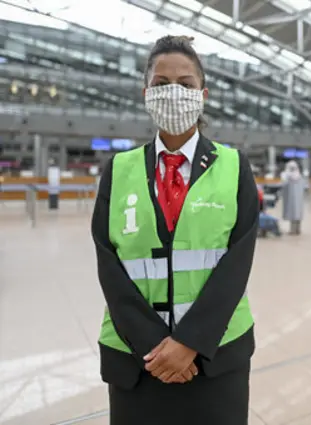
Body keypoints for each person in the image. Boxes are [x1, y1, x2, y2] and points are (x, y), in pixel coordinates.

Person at [91, 35, 258, 425]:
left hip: (214, 356)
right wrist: (155, 346)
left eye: (185, 84)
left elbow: (237, 263)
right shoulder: (119, 170)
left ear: (203, 94)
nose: (173, 93)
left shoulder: (234, 167)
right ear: (146, 92)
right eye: (162, 84)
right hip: (138, 360)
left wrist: (189, 343)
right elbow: (109, 264)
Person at [281, 160, 305, 235]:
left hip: (291, 199)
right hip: (299, 200)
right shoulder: (300, 176)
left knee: (293, 215)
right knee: (297, 215)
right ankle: (297, 230)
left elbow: (283, 182)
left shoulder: (288, 176)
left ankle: (293, 230)